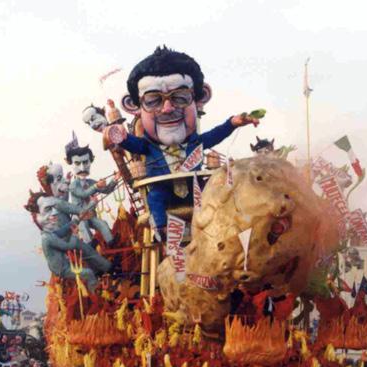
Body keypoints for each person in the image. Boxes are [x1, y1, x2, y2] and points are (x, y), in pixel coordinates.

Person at [108, 46, 260, 231]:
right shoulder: (148, 146)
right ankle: (162, 230)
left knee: (213, 192)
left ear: (200, 98)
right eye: (153, 100)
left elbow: (217, 134)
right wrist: (121, 136)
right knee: (155, 197)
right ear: (134, 106)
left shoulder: (196, 143)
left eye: (180, 97)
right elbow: (132, 143)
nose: (167, 108)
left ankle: (217, 227)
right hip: (163, 189)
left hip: (194, 188)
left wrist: (233, 123)